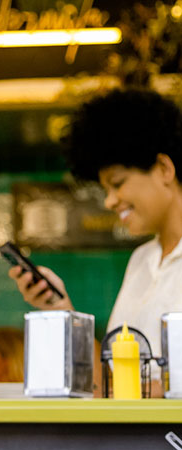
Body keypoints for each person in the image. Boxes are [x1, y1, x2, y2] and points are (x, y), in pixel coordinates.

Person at [9, 88, 182, 358]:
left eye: (117, 183)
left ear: (164, 169)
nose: (109, 202)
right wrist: (60, 308)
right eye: (105, 190)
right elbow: (111, 385)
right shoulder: (142, 261)